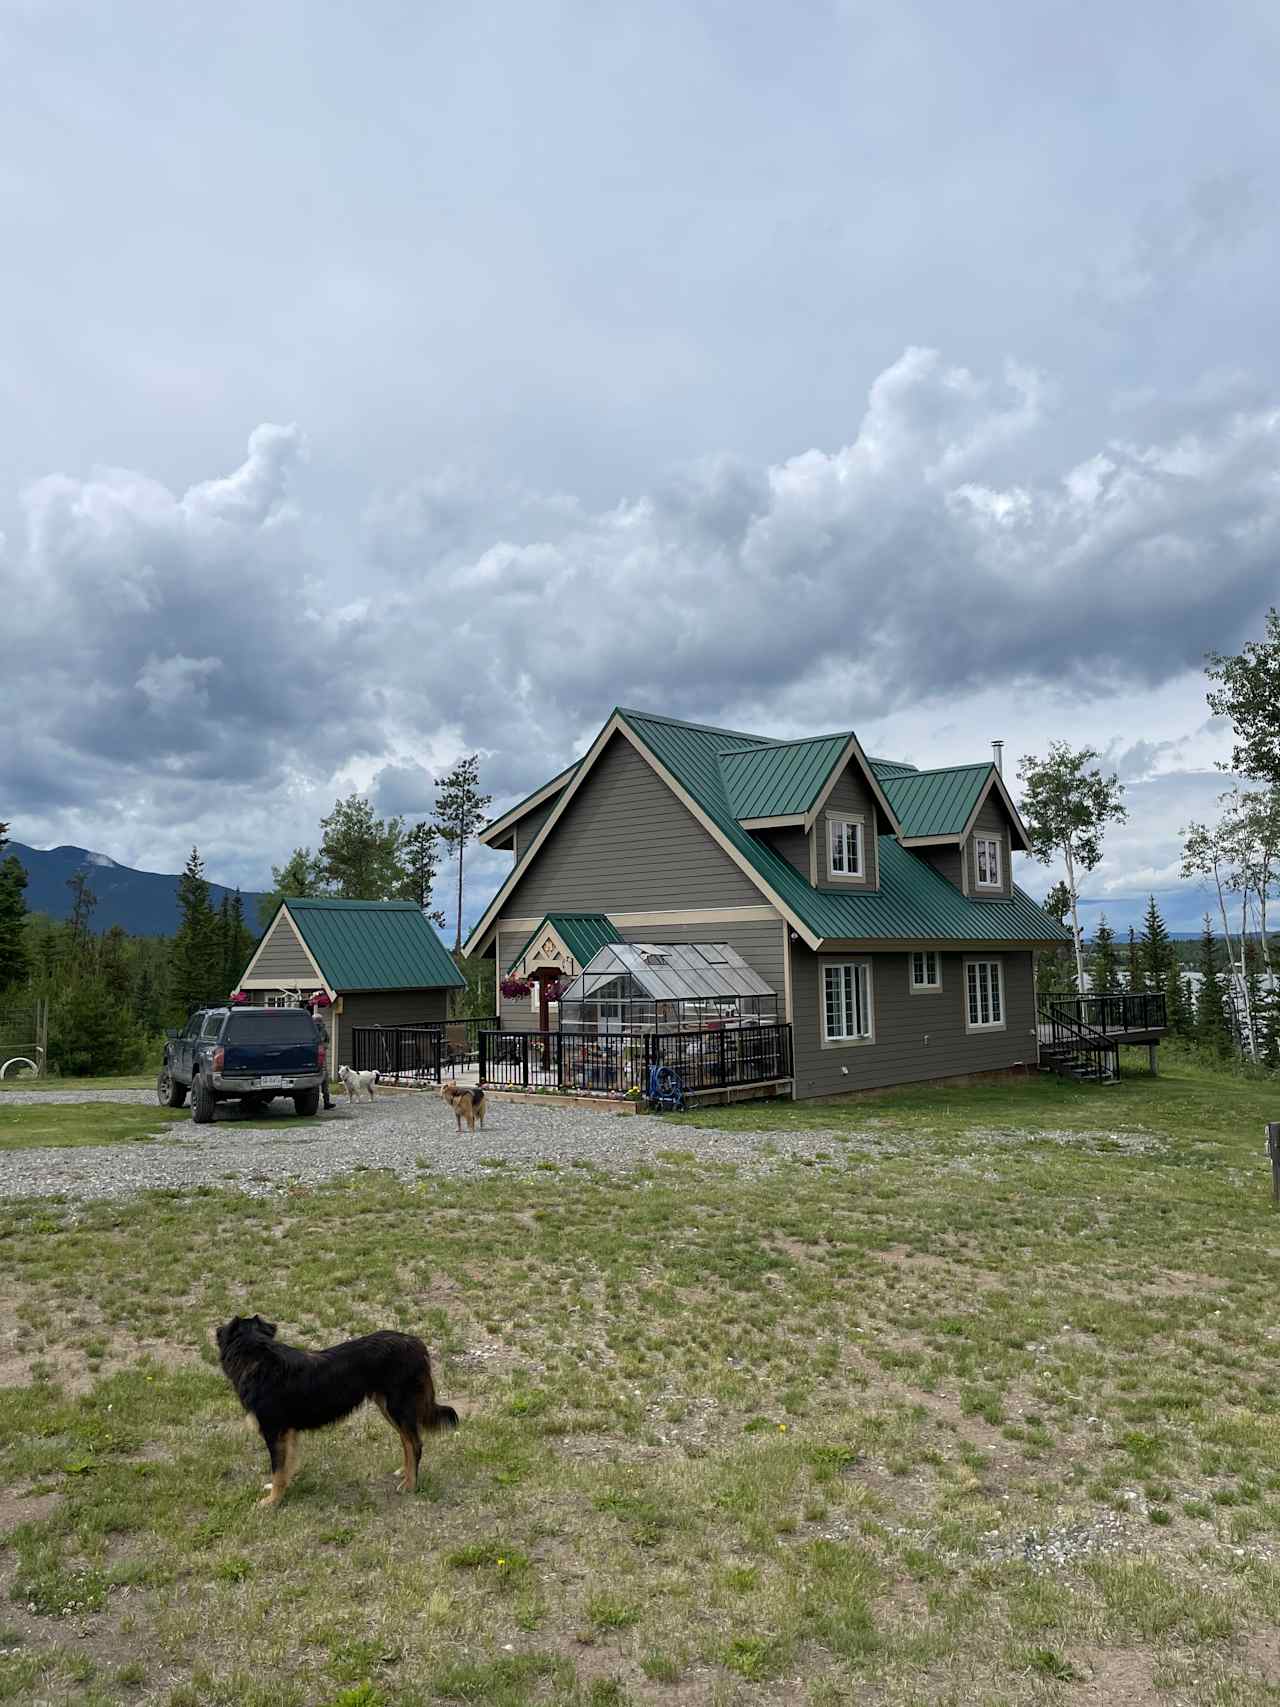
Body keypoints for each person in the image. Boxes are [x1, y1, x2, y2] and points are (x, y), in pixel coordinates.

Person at [301, 994, 334, 1110]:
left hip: (322, 1058)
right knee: (315, 1082)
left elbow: (327, 1041)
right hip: (313, 1059)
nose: (318, 1022)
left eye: (319, 1021)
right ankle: (314, 1102)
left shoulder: (323, 1031)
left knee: (325, 1081)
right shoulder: (309, 1031)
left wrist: (324, 1048)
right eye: (316, 1021)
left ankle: (326, 1101)